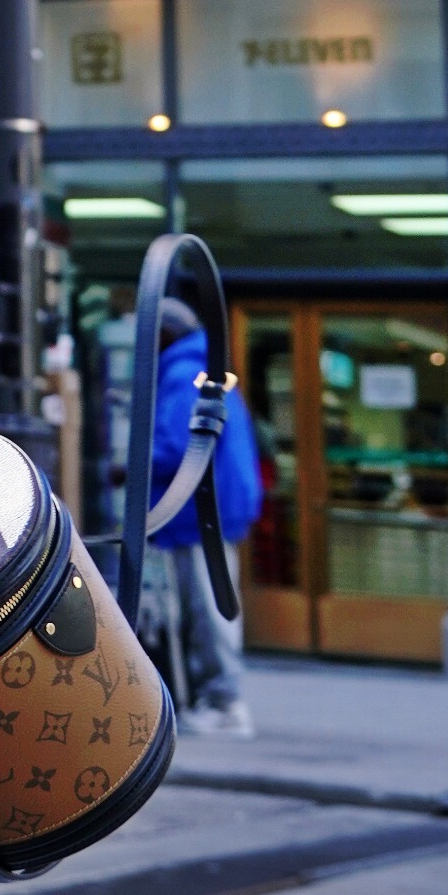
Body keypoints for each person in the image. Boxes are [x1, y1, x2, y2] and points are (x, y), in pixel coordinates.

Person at [146, 291, 263, 735]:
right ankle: (217, 698)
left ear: (164, 334)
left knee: (208, 608)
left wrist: (132, 467)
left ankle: (225, 704)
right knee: (210, 604)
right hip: (211, 506)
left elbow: (178, 445)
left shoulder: (180, 372)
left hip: (199, 510)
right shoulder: (204, 367)